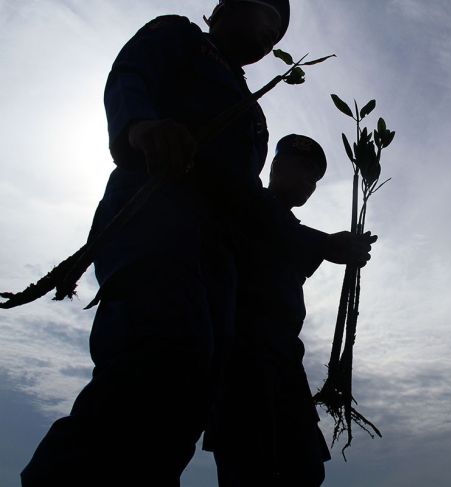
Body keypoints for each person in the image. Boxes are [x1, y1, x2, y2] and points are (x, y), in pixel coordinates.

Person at [20, 2, 375, 486]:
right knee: (157, 361)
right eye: (268, 13)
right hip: (159, 222)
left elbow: (248, 203)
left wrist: (321, 245)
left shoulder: (252, 115)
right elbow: (131, 76)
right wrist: (141, 128)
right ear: (227, 7)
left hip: (215, 263)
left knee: (191, 391)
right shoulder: (180, 37)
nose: (273, 31)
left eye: (281, 27)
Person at [204, 134, 349, 486]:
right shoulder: (247, 203)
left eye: (315, 179)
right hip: (242, 359)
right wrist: (327, 244)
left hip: (284, 361)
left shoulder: (286, 227)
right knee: (249, 466)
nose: (308, 184)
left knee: (306, 469)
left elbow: (288, 237)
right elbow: (273, 226)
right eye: (303, 170)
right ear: (277, 167)